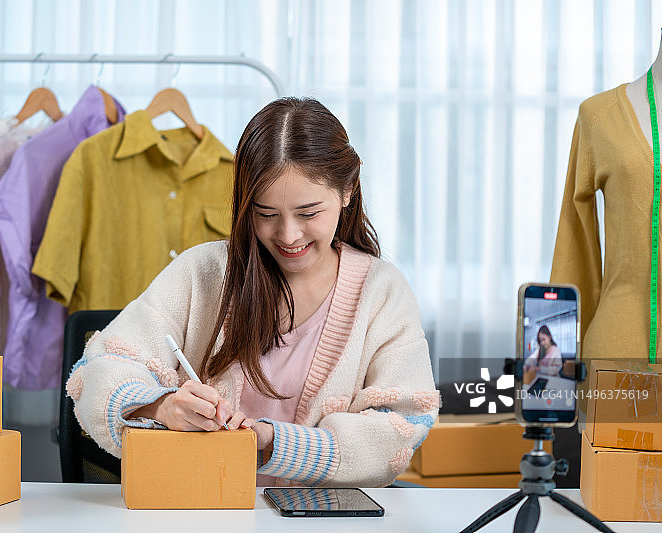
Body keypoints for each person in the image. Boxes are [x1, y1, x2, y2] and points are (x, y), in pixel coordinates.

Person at [67, 97, 439, 487]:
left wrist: (273, 442)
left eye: (308, 213)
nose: (288, 235)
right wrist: (162, 407)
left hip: (320, 514)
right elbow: (95, 373)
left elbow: (402, 426)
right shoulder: (202, 272)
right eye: (266, 214)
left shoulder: (382, 292)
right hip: (197, 506)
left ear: (347, 190)